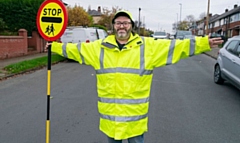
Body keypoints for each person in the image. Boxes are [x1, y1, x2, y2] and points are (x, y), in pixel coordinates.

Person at [45, 10, 223, 143]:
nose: (121, 26)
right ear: (113, 26)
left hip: (135, 121)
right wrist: (55, 46)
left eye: (125, 22)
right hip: (111, 120)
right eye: (118, 23)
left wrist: (202, 43)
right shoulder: (99, 48)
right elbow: (75, 49)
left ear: (131, 26)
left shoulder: (147, 47)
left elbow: (176, 47)